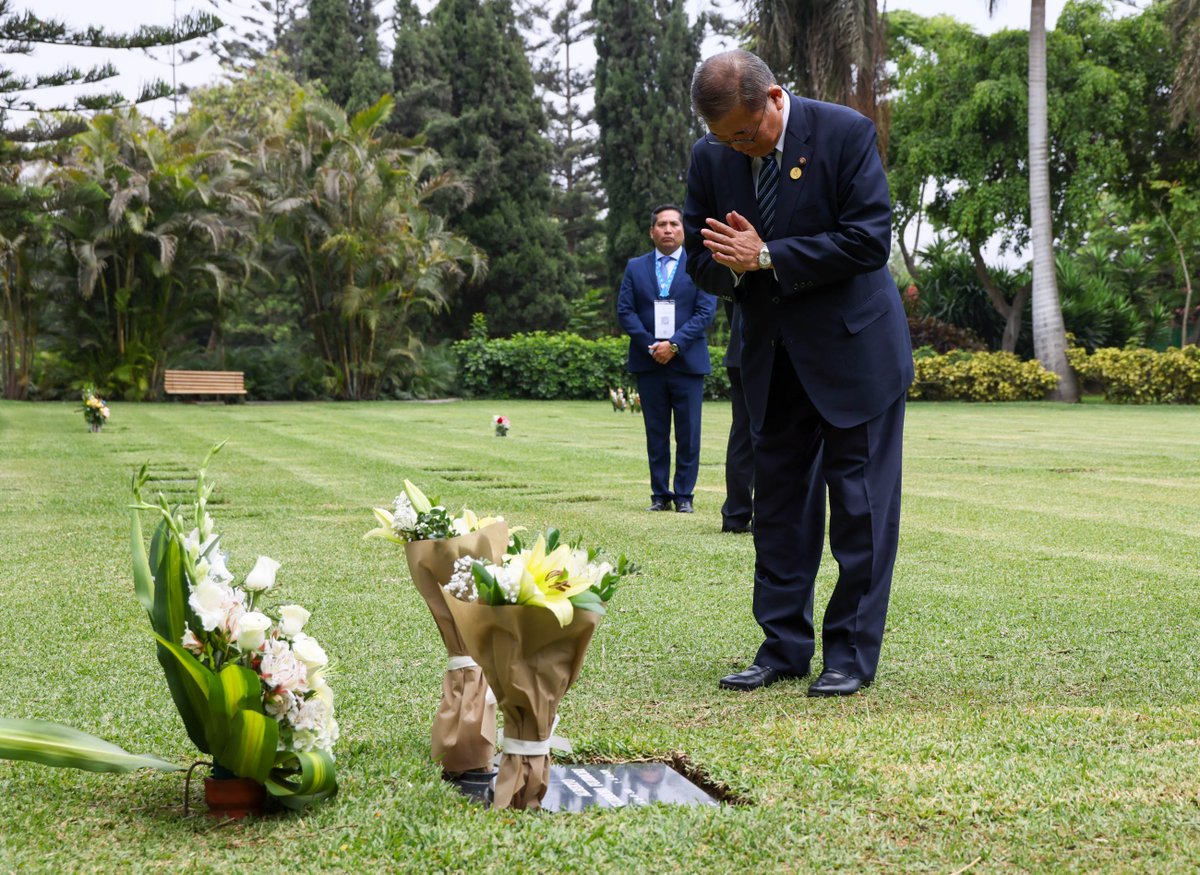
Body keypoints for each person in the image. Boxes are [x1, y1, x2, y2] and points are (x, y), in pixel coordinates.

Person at [683, 50, 913, 697]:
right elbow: (702, 264)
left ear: (774, 99)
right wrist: (732, 264)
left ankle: (848, 655)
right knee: (779, 509)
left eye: (746, 134)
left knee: (861, 512)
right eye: (725, 138)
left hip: (855, 356)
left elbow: (869, 240)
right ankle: (781, 647)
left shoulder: (844, 134)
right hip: (773, 360)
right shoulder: (711, 158)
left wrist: (768, 256)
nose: (738, 149)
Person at [618, 204, 717, 513]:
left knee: (689, 434)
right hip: (649, 362)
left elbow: (705, 312)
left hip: (687, 363)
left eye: (674, 224)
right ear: (652, 232)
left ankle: (684, 495)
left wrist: (673, 345)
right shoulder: (636, 267)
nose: (668, 229)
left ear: (683, 230)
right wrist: (652, 345)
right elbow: (625, 311)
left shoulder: (701, 264)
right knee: (656, 433)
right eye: (662, 224)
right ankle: (660, 495)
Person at [720, 301, 754, 533]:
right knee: (776, 435)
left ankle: (735, 513)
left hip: (739, 350)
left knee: (741, 434)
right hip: (767, 350)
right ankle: (768, 515)